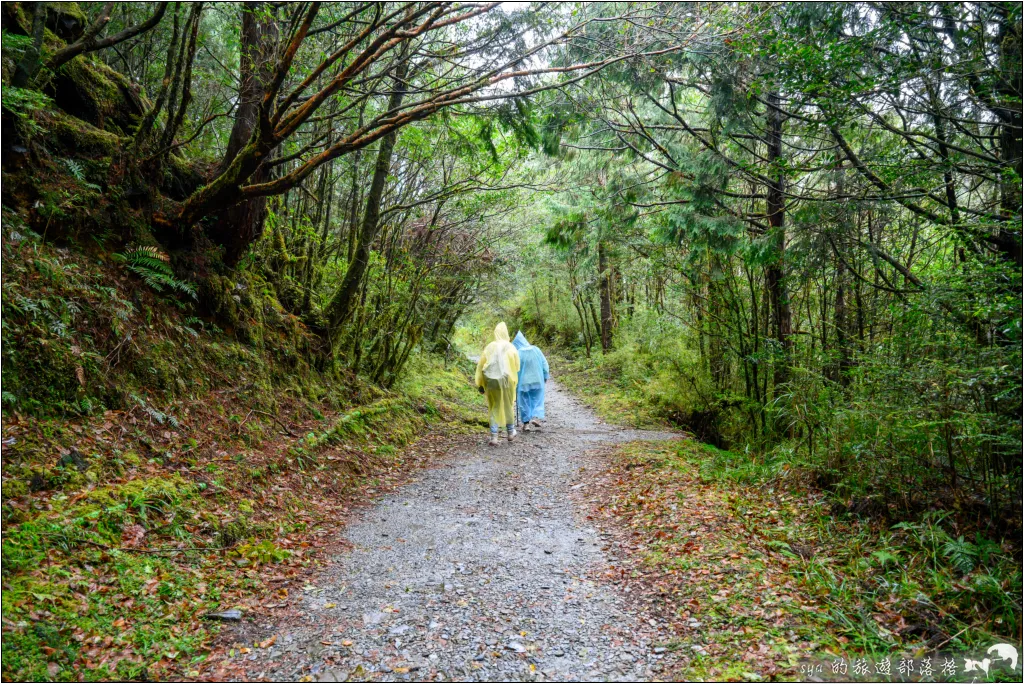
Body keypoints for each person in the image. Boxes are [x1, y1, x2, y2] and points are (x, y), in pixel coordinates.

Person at [475, 322, 520, 445]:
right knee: (508, 405)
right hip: (507, 380)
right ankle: (510, 433)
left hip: (491, 381)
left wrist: (480, 383)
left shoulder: (490, 346)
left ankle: (494, 437)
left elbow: (480, 366)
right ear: (506, 333)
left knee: (494, 406)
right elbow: (516, 366)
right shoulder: (510, 347)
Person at [511, 331, 549, 431]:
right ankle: (535, 418)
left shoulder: (518, 353)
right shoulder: (536, 349)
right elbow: (544, 363)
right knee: (537, 399)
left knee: (524, 402)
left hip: (523, 382)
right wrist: (545, 375)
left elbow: (514, 368)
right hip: (537, 379)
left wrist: (513, 380)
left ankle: (526, 424)